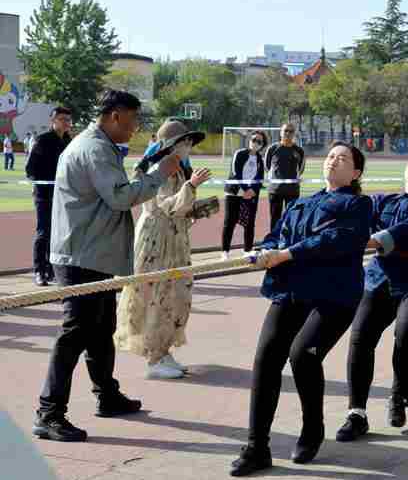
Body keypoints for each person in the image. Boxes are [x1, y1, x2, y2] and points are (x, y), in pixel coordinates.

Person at [33, 90, 182, 443]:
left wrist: (145, 169)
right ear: (115, 116)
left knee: (101, 330)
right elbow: (120, 198)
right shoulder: (95, 148)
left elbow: (115, 190)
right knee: (76, 333)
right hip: (81, 255)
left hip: (91, 253)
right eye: (131, 122)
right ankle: (49, 412)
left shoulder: (97, 145)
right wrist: (159, 174)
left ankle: (107, 394)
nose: (134, 130)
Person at [230, 142, 372, 477]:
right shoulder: (300, 204)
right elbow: (275, 236)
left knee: (303, 355)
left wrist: (288, 253)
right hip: (291, 291)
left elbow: (337, 240)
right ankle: (257, 447)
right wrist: (263, 251)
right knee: (266, 361)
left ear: (355, 173)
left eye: (344, 158)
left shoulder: (358, 204)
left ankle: (312, 429)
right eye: (331, 155)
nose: (334, 159)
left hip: (333, 297)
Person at [335, 158, 408, 443]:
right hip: (378, 277)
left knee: (406, 334)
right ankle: (356, 413)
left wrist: (374, 239)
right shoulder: (383, 201)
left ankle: (398, 395)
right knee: (360, 339)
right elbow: (356, 215)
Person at [114, 120, 212, 379]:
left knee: (176, 295)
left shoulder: (178, 168)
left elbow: (178, 208)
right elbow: (163, 205)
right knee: (157, 296)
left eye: (190, 142)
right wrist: (191, 187)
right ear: (171, 144)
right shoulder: (162, 168)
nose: (189, 146)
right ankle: (154, 358)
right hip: (157, 241)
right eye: (185, 141)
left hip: (174, 238)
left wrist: (196, 207)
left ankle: (163, 350)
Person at [25, 107, 72, 286]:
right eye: (62, 119)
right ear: (53, 121)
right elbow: (30, 169)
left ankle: (52, 269)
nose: (66, 122)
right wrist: (38, 183)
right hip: (44, 195)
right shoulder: (42, 140)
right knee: (44, 232)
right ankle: (39, 271)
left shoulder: (69, 141)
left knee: (59, 233)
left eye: (68, 119)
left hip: (64, 195)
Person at [221, 131, 267, 260]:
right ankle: (225, 251)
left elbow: (260, 178)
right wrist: (245, 190)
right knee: (230, 221)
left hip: (251, 194)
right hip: (235, 192)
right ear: (249, 140)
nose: (255, 143)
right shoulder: (239, 153)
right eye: (254, 139)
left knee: (250, 222)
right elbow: (236, 172)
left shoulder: (259, 159)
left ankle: (247, 250)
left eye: (259, 141)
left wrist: (252, 190)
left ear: (262, 145)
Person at [264, 123, 305, 230]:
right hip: (275, 190)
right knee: (275, 218)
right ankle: (273, 241)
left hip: (292, 190)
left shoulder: (299, 150)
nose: (288, 133)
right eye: (285, 130)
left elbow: (301, 169)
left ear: (294, 134)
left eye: (291, 131)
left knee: (292, 218)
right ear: (281, 132)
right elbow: (267, 166)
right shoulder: (272, 148)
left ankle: (288, 242)